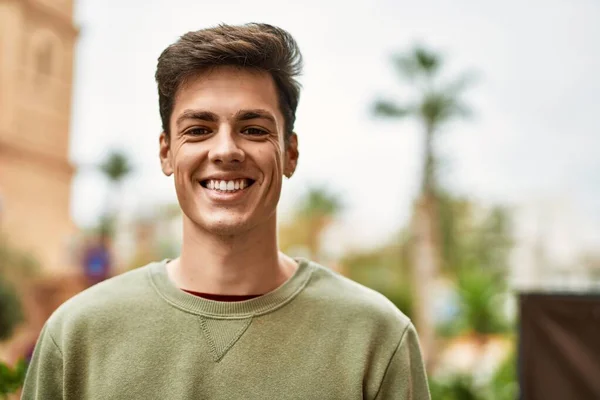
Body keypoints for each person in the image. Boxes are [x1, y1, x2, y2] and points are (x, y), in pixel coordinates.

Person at [22, 23, 430, 399]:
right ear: (167, 153)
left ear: (289, 153)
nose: (226, 151)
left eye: (253, 129)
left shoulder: (376, 337)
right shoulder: (78, 334)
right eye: (198, 130)